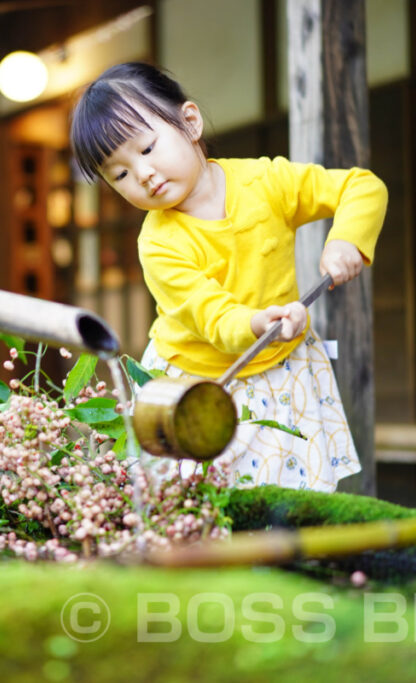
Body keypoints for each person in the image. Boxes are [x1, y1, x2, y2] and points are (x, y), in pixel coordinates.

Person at [69, 62, 387, 492]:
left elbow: (361, 187)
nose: (142, 174)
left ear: (190, 121)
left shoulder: (265, 181)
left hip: (280, 373)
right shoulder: (159, 243)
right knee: (194, 504)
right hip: (195, 381)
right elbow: (214, 318)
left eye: (145, 149)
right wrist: (258, 323)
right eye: (120, 174)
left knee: (287, 502)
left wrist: (346, 240)